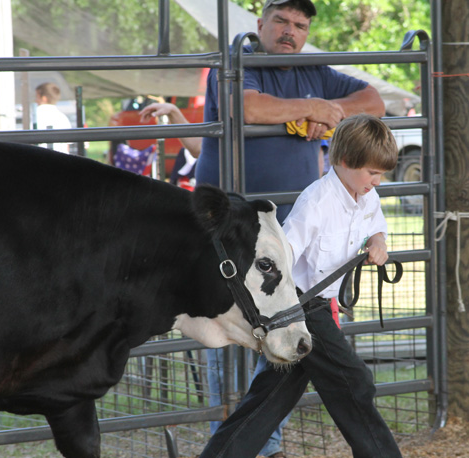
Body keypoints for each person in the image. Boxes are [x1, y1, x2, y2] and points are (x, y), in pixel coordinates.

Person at [195, 0, 385, 456]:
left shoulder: (313, 68)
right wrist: (307, 109)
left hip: (289, 238)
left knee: (283, 342)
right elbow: (249, 106)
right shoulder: (239, 60)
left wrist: (324, 113)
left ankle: (247, 448)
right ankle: (234, 438)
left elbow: (373, 102)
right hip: (232, 227)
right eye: (281, 20)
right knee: (226, 325)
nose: (290, 31)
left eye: (300, 25)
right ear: (260, 24)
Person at [199, 114, 401, 458]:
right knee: (353, 382)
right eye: (372, 172)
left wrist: (378, 240)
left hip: (320, 305)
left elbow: (374, 224)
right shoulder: (316, 202)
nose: (377, 182)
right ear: (344, 162)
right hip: (301, 306)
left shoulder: (365, 196)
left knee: (270, 398)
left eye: (381, 174)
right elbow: (283, 257)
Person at [35, 82, 72, 154]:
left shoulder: (35, 115)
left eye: (37, 96)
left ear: (44, 98)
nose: (35, 100)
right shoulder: (63, 118)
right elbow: (67, 146)